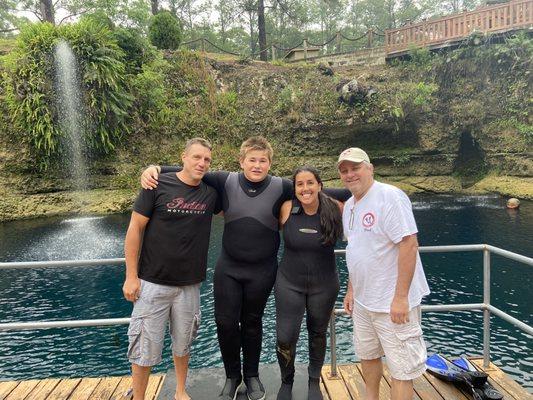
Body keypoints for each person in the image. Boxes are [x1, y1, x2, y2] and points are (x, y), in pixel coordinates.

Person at [140, 136, 350, 400]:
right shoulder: (224, 180)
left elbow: (319, 190)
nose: (257, 165)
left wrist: (362, 189)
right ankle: (232, 376)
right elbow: (190, 170)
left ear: (270, 163)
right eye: (252, 160)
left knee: (253, 322)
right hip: (228, 268)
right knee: (225, 323)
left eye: (263, 161)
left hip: (262, 271)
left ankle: (251, 376)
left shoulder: (282, 186)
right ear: (242, 161)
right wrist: (155, 168)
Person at [123, 138, 220, 400]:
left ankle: (179, 390)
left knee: (183, 343)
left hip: (190, 284)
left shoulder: (210, 193)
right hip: (152, 282)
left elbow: (243, 188)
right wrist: (131, 276)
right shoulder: (156, 184)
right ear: (183, 157)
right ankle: (140, 397)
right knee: (145, 346)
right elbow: (135, 229)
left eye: (207, 159)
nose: (202, 163)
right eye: (197, 157)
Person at [338, 147, 430, 400]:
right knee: (367, 356)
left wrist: (401, 298)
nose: (350, 174)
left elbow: (409, 244)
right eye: (344, 170)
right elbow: (358, 249)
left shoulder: (390, 196)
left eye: (355, 168)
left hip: (393, 303)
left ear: (370, 168)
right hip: (364, 301)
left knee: (401, 369)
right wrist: (351, 288)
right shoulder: (349, 206)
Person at [275, 166, 343, 400]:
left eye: (310, 183)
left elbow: (357, 193)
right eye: (300, 184)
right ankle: (287, 381)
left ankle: (314, 381)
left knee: (317, 334)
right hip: (288, 283)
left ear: (320, 185)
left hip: (324, 285)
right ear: (294, 189)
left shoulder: (336, 208)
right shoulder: (286, 209)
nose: (305, 188)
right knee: (285, 337)